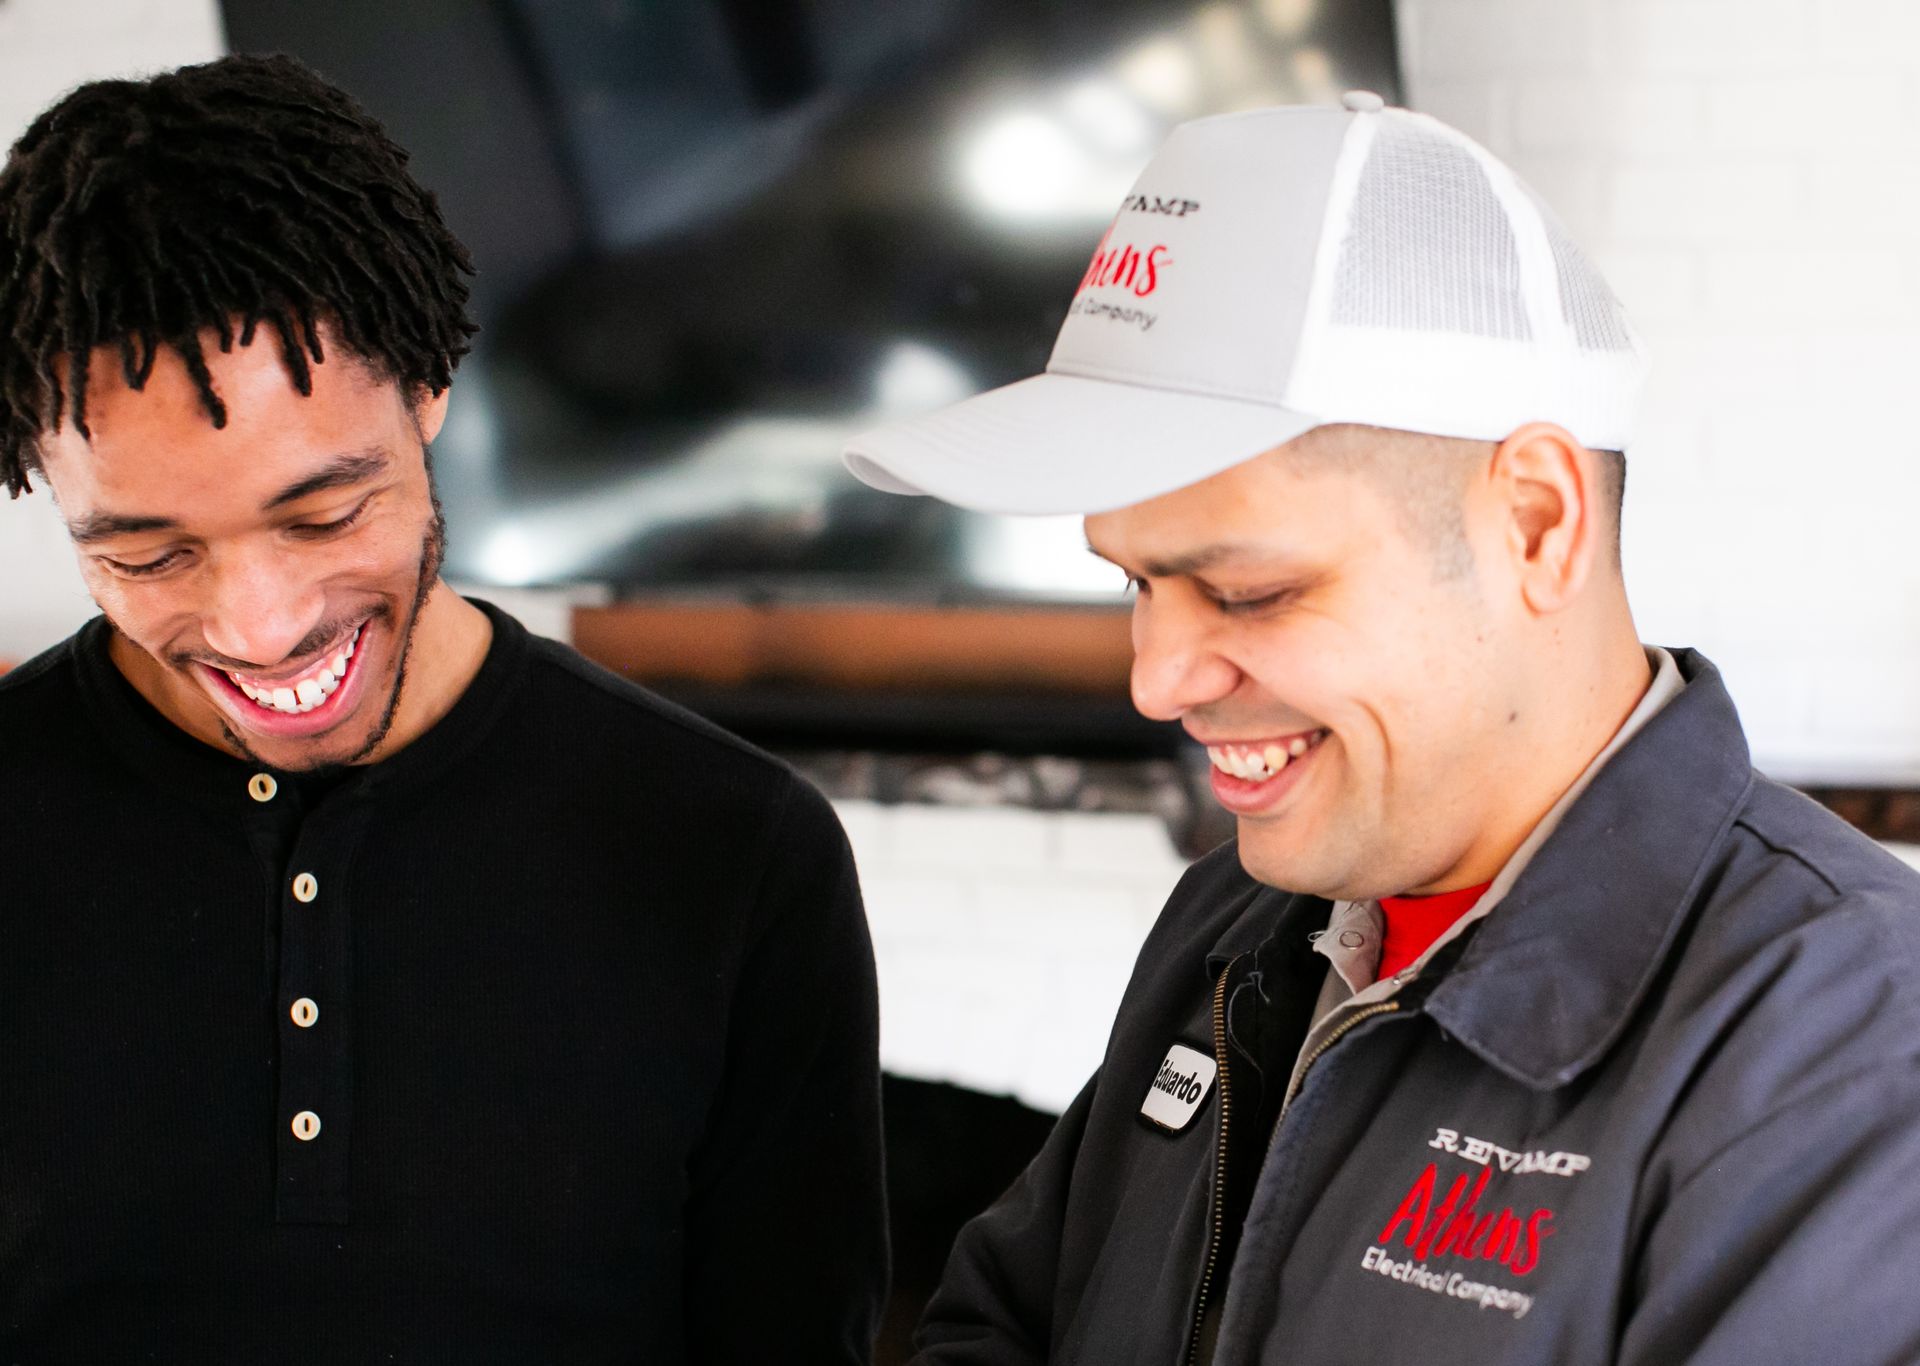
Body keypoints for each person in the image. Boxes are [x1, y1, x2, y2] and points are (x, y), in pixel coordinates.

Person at [844, 93, 1920, 1364]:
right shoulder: (1237, 925)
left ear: (1534, 521)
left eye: (1249, 590)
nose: (1157, 678)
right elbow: (1004, 1324)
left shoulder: (1846, 1047)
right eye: (1135, 582)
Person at [0, 54, 886, 1361]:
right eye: (147, 554)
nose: (260, 626)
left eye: (323, 511)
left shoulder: (734, 852)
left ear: (427, 392)